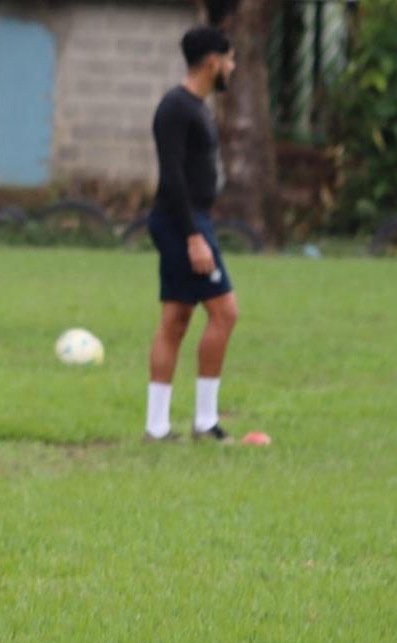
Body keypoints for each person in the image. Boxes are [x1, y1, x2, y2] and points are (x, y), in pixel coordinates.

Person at [143, 26, 238, 443]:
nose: (233, 68)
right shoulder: (175, 108)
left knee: (176, 318)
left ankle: (158, 427)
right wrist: (193, 237)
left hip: (191, 220)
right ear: (213, 62)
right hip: (183, 223)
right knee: (225, 312)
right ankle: (204, 422)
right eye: (230, 59)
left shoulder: (198, 106)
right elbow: (172, 177)